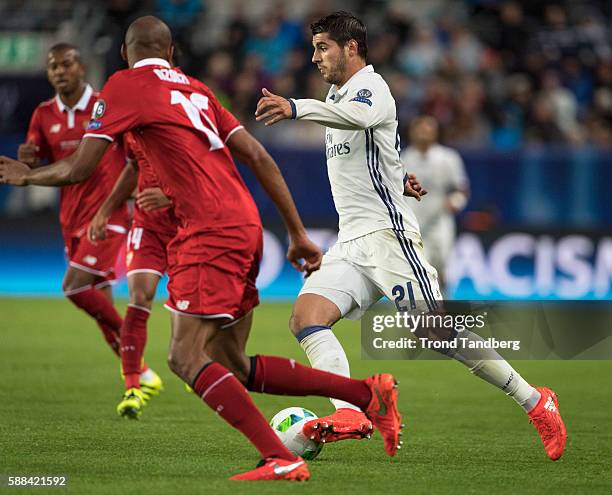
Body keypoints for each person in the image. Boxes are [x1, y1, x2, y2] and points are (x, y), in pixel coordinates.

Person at [0, 16, 402, 481]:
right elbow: (257, 155)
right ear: (170, 54)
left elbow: (80, 167)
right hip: (245, 225)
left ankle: (282, 457)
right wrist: (295, 232)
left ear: (127, 55)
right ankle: (367, 394)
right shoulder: (197, 90)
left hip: (206, 232)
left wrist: (27, 176)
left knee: (184, 357)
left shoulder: (124, 85)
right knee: (233, 361)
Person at [254, 11, 566, 461]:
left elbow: (361, 119)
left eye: (323, 47)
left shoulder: (371, 89)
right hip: (352, 241)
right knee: (305, 317)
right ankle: (350, 413)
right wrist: (399, 176)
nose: (315, 56)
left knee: (434, 330)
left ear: (352, 48)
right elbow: (371, 150)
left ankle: (536, 401)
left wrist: (296, 106)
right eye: (315, 47)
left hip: (389, 237)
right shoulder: (338, 94)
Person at [17, 43, 162, 394]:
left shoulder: (105, 105)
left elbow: (134, 157)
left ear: (81, 67)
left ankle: (134, 339)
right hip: (70, 218)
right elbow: (43, 163)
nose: (60, 72)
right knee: (98, 304)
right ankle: (140, 375)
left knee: (74, 286)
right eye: (53, 67)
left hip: (107, 215)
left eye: (67, 64)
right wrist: (29, 161)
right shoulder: (43, 114)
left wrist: (120, 200)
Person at [87, 131, 178, 418]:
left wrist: (169, 195)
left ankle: (202, 365)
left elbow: (210, 173)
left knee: (191, 308)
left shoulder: (181, 123)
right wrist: (105, 210)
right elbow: (133, 166)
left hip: (186, 224)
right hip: (147, 227)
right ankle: (133, 386)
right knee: (139, 297)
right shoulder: (132, 129)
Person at [400, 116, 470, 293]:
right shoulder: (402, 158)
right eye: (420, 128)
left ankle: (444, 307)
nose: (424, 132)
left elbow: (461, 188)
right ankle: (418, 313)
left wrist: (456, 201)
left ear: (436, 132)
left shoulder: (448, 158)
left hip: (440, 222)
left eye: (428, 129)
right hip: (412, 222)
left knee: (441, 268)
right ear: (412, 132)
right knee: (417, 270)